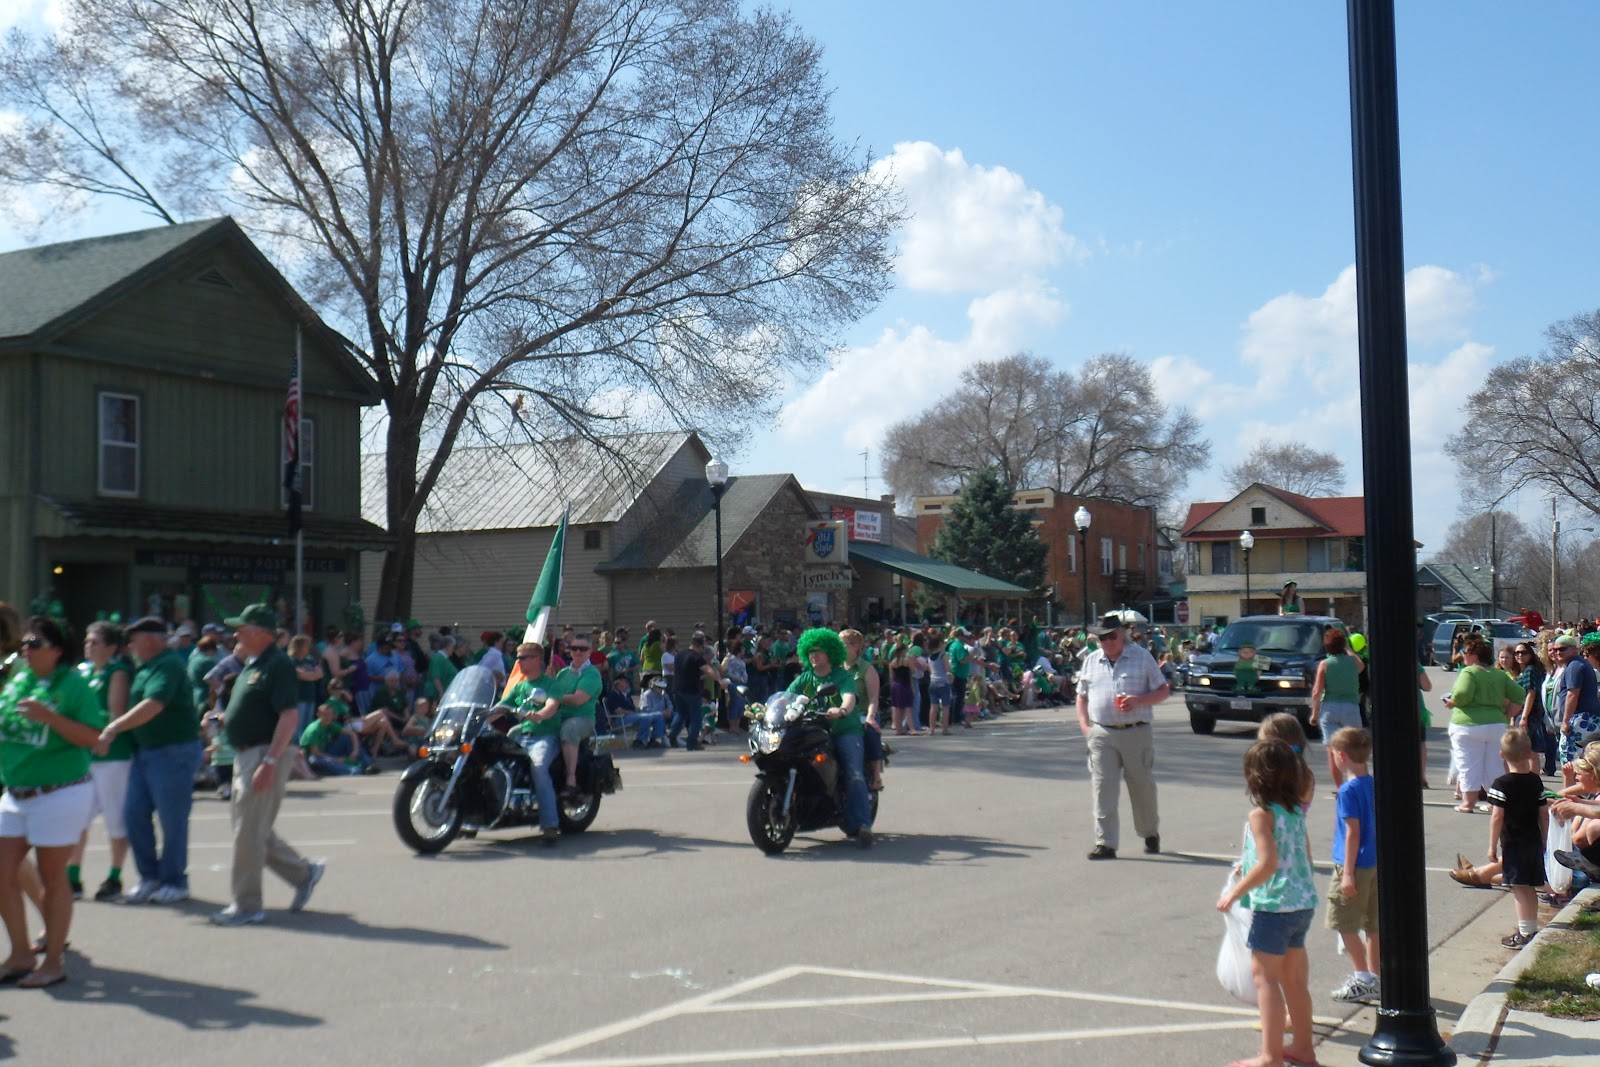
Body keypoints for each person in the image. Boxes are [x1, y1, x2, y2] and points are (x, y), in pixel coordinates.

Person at [0, 615, 101, 988]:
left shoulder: (75, 686)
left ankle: (54, 961)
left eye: (35, 644)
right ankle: (20, 953)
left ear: (57, 651)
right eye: (24, 643)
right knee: (1, 871)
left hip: (60, 792)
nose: (25, 649)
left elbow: (92, 736)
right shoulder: (18, 680)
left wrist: (51, 717)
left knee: (52, 878)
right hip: (15, 792)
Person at [211, 604, 323, 926]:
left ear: (261, 633)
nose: (235, 635)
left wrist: (271, 761)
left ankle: (247, 905)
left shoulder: (278, 664)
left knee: (248, 832)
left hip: (263, 754)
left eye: (242, 629)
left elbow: (289, 716)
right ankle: (304, 874)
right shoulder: (253, 663)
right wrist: (225, 719)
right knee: (250, 829)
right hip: (246, 754)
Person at [1216, 738, 1319, 1067]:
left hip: (1273, 906)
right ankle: (1304, 1047)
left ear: (1255, 777)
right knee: (1295, 981)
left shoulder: (1261, 815)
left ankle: (1270, 1056)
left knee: (1267, 980)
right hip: (1302, 903)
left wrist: (1233, 892)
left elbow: (1267, 864)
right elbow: (1301, 856)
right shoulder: (1295, 812)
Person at [99, 615, 204, 905]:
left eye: (134, 639)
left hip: (173, 752)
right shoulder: (145, 667)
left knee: (172, 820)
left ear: (151, 639)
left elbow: (154, 704)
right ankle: (150, 877)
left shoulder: (168, 664)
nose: (130, 645)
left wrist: (116, 726)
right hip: (147, 752)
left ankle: (175, 881)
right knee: (133, 814)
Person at [1076, 616, 1168, 860]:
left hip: (1136, 730)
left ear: (1122, 634)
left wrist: (1139, 701)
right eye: (1101, 637)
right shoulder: (1092, 661)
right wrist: (1085, 726)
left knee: (1142, 787)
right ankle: (1105, 842)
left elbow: (1163, 690)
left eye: (1111, 636)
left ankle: (1150, 832)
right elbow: (1082, 696)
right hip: (1102, 732)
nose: (1107, 642)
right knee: (1103, 787)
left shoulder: (1141, 657)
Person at [787, 628, 872, 846]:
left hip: (844, 729)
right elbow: (786, 697)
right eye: (811, 651)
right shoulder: (805, 677)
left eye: (820, 651)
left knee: (854, 773)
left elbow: (849, 696)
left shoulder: (841, 676)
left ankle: (863, 824)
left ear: (831, 653)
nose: (814, 655)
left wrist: (842, 709)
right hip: (813, 730)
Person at [74, 621, 135, 902]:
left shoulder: (118, 672)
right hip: (84, 755)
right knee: (77, 817)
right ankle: (72, 876)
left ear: (111, 647)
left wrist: (93, 733)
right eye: (87, 641)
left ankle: (114, 876)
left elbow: (115, 713)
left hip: (112, 756)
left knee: (114, 817)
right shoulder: (81, 672)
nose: (89, 646)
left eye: (95, 642)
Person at [1325, 728, 1380, 1002]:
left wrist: (1346, 873)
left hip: (1354, 863)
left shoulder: (1347, 790)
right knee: (1373, 924)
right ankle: (1375, 976)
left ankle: (1363, 977)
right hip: (1374, 862)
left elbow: (1352, 832)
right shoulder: (1372, 784)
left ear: (1341, 755)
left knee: (1345, 923)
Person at [1485, 728, 1549, 948]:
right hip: (1533, 841)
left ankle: (1524, 933)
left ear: (1502, 755)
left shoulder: (1501, 784)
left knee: (1519, 888)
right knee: (1530, 887)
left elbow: (1497, 817)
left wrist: (1492, 846)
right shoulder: (1536, 782)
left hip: (1514, 843)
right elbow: (1544, 813)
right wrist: (1545, 838)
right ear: (1530, 752)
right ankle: (1531, 928)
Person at [1444, 635, 1522, 814]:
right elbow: (1519, 694)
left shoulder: (1469, 672)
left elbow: (1462, 694)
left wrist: (1453, 702)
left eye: (1466, 652)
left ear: (1475, 656)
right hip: (1496, 725)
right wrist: (1508, 713)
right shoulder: (1499, 674)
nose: (1463, 655)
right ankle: (1496, 803)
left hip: (1468, 725)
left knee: (1468, 764)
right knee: (1494, 766)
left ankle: (1468, 803)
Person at [494, 642, 562, 844]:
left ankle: (550, 825)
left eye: (524, 657)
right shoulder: (520, 686)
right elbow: (500, 708)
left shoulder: (551, 684)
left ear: (538, 660)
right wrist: (475, 718)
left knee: (538, 767)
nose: (519, 661)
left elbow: (551, 706)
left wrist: (539, 715)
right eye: (518, 657)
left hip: (545, 737)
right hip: (521, 737)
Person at [1310, 629, 1365, 790]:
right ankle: (1356, 782)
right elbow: (1361, 666)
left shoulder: (1325, 664)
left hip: (1330, 709)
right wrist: (1348, 648)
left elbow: (1317, 691)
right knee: (1354, 747)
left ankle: (1340, 787)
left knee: (1333, 749)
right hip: (1350, 707)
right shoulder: (1353, 662)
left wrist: (1314, 714)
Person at [553, 634, 602, 797]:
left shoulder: (592, 674)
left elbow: (577, 700)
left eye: (583, 648)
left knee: (569, 730)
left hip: (583, 720)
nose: (578, 652)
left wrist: (552, 697)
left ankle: (571, 780)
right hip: (558, 717)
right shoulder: (562, 673)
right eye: (574, 648)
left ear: (590, 651)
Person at [668, 633, 718, 751]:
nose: (702, 650)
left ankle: (672, 735)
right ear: (699, 646)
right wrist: (720, 680)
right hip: (691, 691)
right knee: (696, 716)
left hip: (677, 689)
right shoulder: (696, 657)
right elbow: (707, 669)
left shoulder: (679, 655)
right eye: (702, 648)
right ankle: (692, 742)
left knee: (681, 714)